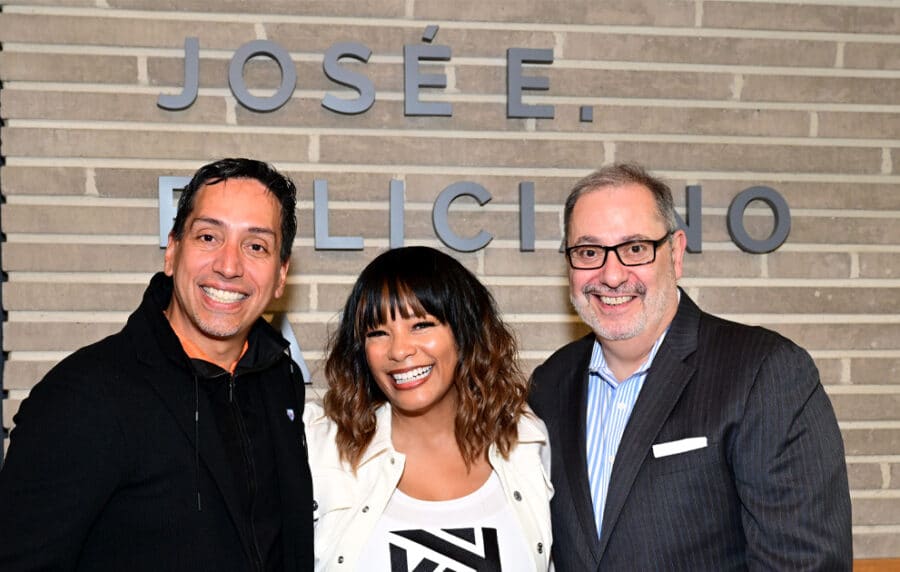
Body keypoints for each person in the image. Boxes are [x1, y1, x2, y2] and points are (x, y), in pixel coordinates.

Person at [529, 163, 852, 570]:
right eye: (589, 252)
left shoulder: (765, 373)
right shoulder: (550, 385)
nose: (611, 275)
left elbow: (805, 563)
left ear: (676, 253)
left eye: (635, 248)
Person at [0, 158, 314, 571]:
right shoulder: (86, 395)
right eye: (208, 236)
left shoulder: (279, 382)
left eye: (256, 246)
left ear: (279, 277)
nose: (229, 265)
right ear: (172, 252)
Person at [304, 246, 553, 571]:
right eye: (377, 333)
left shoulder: (525, 442)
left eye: (420, 325)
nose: (399, 350)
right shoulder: (322, 449)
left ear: (465, 332)